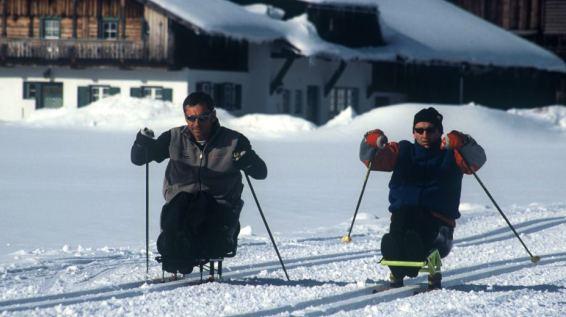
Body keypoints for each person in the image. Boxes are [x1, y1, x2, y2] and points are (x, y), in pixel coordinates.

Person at [131, 92, 267, 274]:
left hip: (217, 207)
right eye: (191, 118)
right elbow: (140, 159)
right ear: (185, 117)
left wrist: (247, 160)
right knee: (181, 204)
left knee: (200, 206)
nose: (196, 124)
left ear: (213, 115)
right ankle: (172, 246)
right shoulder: (173, 138)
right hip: (179, 204)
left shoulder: (233, 141)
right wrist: (142, 144)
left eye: (202, 118)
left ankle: (183, 250)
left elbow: (261, 172)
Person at [359, 107, 486, 288]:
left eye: (430, 130)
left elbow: (478, 160)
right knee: (402, 219)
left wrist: (464, 142)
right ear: (414, 132)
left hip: (439, 225)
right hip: (404, 216)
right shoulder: (402, 150)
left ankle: (411, 251)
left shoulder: (453, 153)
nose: (424, 134)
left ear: (439, 132)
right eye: (419, 130)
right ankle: (395, 249)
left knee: (422, 224)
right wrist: (371, 141)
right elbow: (371, 160)